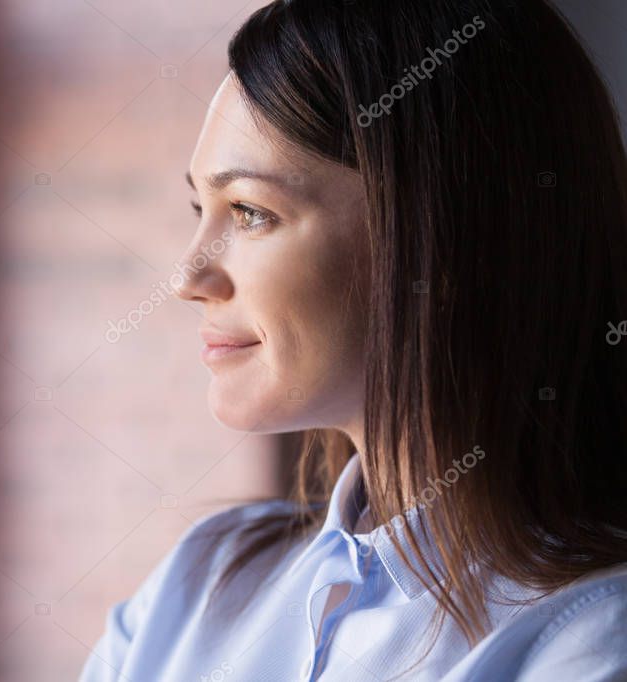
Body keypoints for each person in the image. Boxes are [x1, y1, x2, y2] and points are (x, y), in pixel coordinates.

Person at [79, 0, 627, 679]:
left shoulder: (591, 641)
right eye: (202, 209)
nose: (188, 277)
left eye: (249, 212)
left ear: (445, 242)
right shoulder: (196, 585)